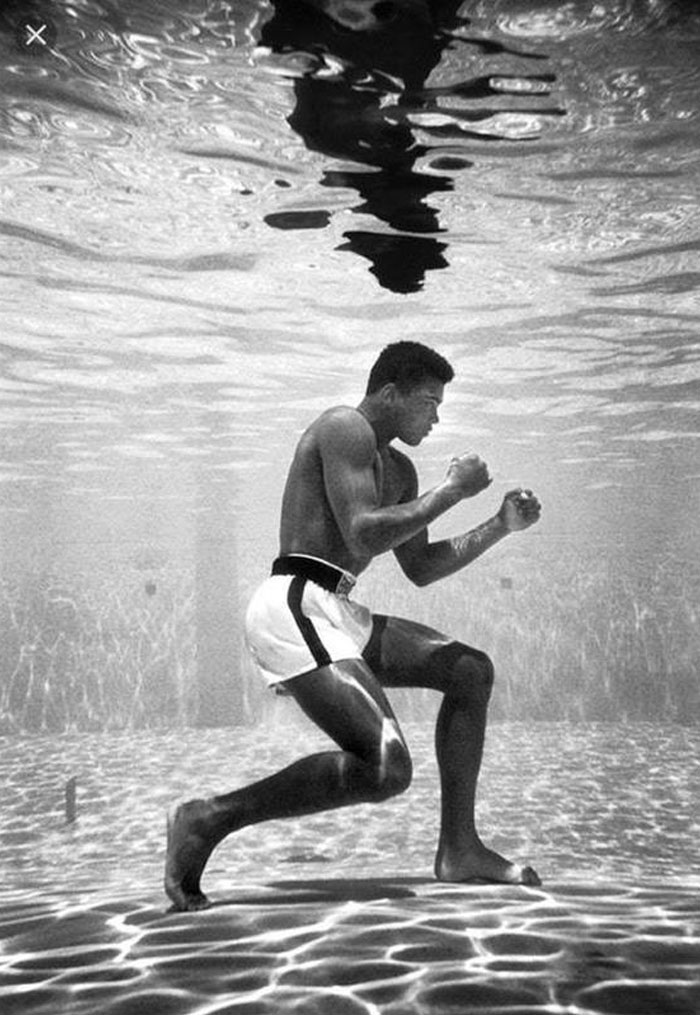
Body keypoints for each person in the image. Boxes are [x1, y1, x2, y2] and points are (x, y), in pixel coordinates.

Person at [165, 340, 542, 911]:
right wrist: (452, 490)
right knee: (386, 767)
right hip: (293, 602)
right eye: (427, 402)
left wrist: (498, 525)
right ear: (389, 393)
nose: (436, 417)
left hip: (337, 608)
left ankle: (460, 849)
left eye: (440, 406)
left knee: (469, 671)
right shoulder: (345, 427)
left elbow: (420, 567)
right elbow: (364, 531)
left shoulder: (400, 470)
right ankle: (207, 818)